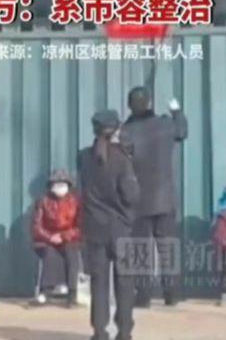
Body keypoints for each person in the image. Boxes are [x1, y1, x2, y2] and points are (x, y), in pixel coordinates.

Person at [120, 87, 188, 308]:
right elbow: (182, 131)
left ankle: (143, 295)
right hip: (165, 197)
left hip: (138, 199)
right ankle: (172, 293)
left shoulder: (126, 131)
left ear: (129, 106)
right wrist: (176, 111)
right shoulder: (165, 124)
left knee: (141, 247)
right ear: (150, 103)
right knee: (167, 246)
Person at [79, 110, 141, 340]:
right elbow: (131, 196)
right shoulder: (122, 159)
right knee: (125, 283)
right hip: (121, 229)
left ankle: (99, 331)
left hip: (94, 228)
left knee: (99, 283)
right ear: (116, 130)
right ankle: (124, 332)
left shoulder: (83, 157)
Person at [32, 169, 81, 307]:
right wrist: (50, 237)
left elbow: (80, 227)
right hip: (48, 239)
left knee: (71, 253)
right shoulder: (43, 201)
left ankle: (72, 293)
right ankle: (45, 291)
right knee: (50, 253)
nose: (60, 187)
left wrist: (64, 236)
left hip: (69, 238)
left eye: (63, 184)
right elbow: (36, 227)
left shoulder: (76, 201)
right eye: (57, 184)